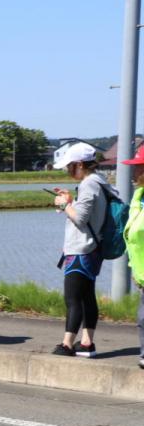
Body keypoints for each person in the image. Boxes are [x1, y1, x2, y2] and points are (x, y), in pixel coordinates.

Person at [50, 142, 115, 357]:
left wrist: (63, 204)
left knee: (73, 298)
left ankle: (67, 344)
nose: (68, 170)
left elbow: (80, 218)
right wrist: (70, 201)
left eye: (70, 166)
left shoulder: (89, 184)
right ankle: (87, 343)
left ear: (80, 164)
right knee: (87, 297)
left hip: (81, 250)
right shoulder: (98, 182)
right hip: (92, 248)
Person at [121, 145, 144, 369]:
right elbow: (133, 236)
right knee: (143, 318)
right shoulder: (139, 196)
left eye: (138, 167)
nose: (134, 173)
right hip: (141, 273)